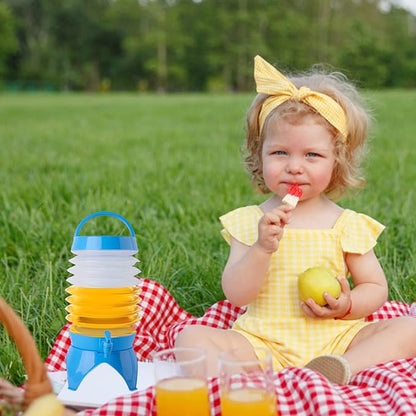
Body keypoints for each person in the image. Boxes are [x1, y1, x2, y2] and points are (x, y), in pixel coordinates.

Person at [175, 55, 416, 384]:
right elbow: (237, 296)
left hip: (337, 342)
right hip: (261, 342)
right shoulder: (251, 221)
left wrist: (346, 304)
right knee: (191, 337)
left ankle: (341, 369)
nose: (294, 166)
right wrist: (262, 248)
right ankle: (244, 382)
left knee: (409, 328)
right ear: (259, 155)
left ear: (337, 162)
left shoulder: (346, 224)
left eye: (312, 155)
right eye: (280, 153)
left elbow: (375, 288)